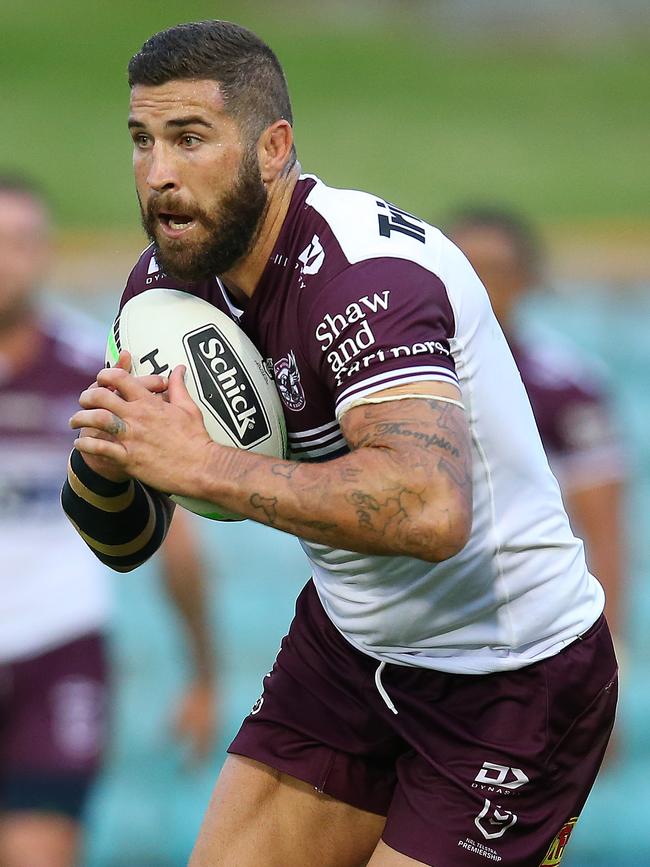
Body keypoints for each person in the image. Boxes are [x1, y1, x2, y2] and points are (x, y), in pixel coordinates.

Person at [61, 20, 618, 867]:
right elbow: (127, 541)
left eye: (190, 139)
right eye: (142, 141)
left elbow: (432, 511)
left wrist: (203, 463)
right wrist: (109, 460)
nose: (158, 174)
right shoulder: (166, 289)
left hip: (513, 676)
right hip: (350, 651)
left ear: (273, 146)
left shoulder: (367, 276)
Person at [0, 175, 218, 867]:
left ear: (46, 254)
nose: (6, 259)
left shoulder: (97, 374)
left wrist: (203, 670)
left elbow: (171, 537)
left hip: (56, 652)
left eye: (21, 242)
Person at [446, 208, 626, 636]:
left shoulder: (568, 388)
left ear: (527, 280)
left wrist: (612, 645)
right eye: (462, 266)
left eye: (493, 270)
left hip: (529, 625)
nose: (478, 284)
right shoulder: (394, 376)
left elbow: (604, 531)